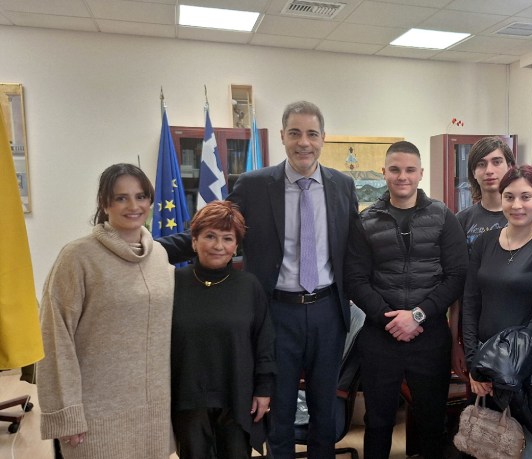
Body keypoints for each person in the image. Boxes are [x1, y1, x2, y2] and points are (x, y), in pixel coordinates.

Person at [159, 101, 359, 458]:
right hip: (276, 313)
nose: (304, 142)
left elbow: (356, 244)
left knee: (325, 412)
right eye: (295, 133)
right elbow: (213, 228)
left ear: (323, 138)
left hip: (329, 312)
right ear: (282, 136)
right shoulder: (254, 185)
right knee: (278, 414)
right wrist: (150, 251)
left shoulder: (342, 185)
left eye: (312, 134)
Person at [38, 163, 174, 459]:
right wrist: (66, 412)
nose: (134, 206)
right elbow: (55, 336)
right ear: (104, 203)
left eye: (141, 196)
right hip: (96, 417)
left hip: (153, 416)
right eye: (121, 198)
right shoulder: (77, 256)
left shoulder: (160, 256)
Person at [345, 140, 468, 459]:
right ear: (384, 172)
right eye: (395, 169)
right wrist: (391, 319)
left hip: (430, 336)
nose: (403, 176)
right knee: (378, 422)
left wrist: (417, 316)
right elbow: (355, 280)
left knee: (431, 421)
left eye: (410, 170)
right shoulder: (365, 221)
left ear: (421, 173)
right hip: (380, 336)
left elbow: (456, 276)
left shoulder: (443, 217)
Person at [462, 165, 532, 458]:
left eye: (526, 197)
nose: (517, 205)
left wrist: (503, 369)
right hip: (484, 367)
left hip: (524, 369)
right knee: (486, 446)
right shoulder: (484, 243)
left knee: (526, 449)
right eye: (509, 197)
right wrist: (475, 364)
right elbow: (470, 303)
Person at [171, 200, 275, 458]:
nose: (218, 246)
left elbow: (264, 341)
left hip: (237, 394)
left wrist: (263, 389)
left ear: (235, 246)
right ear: (194, 241)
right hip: (188, 397)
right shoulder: (173, 284)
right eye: (210, 236)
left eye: (227, 238)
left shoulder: (249, 286)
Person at [449, 136, 515, 382]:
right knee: (478, 399)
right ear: (473, 173)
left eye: (496, 162)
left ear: (510, 166)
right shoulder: (462, 220)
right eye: (481, 164)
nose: (489, 170)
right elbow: (458, 287)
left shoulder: (525, 216)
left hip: (516, 326)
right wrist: (455, 342)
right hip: (472, 327)